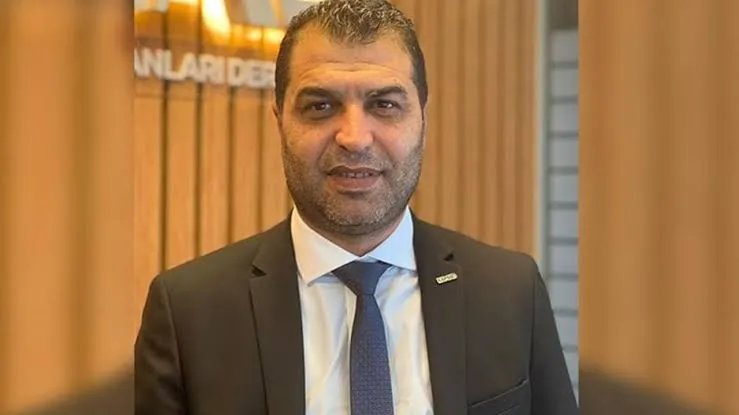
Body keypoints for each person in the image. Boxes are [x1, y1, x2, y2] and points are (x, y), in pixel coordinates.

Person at [134, 0, 578, 414]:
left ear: (422, 118)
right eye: (320, 106)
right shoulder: (187, 313)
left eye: (384, 105)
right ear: (280, 119)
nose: (354, 137)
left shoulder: (510, 291)